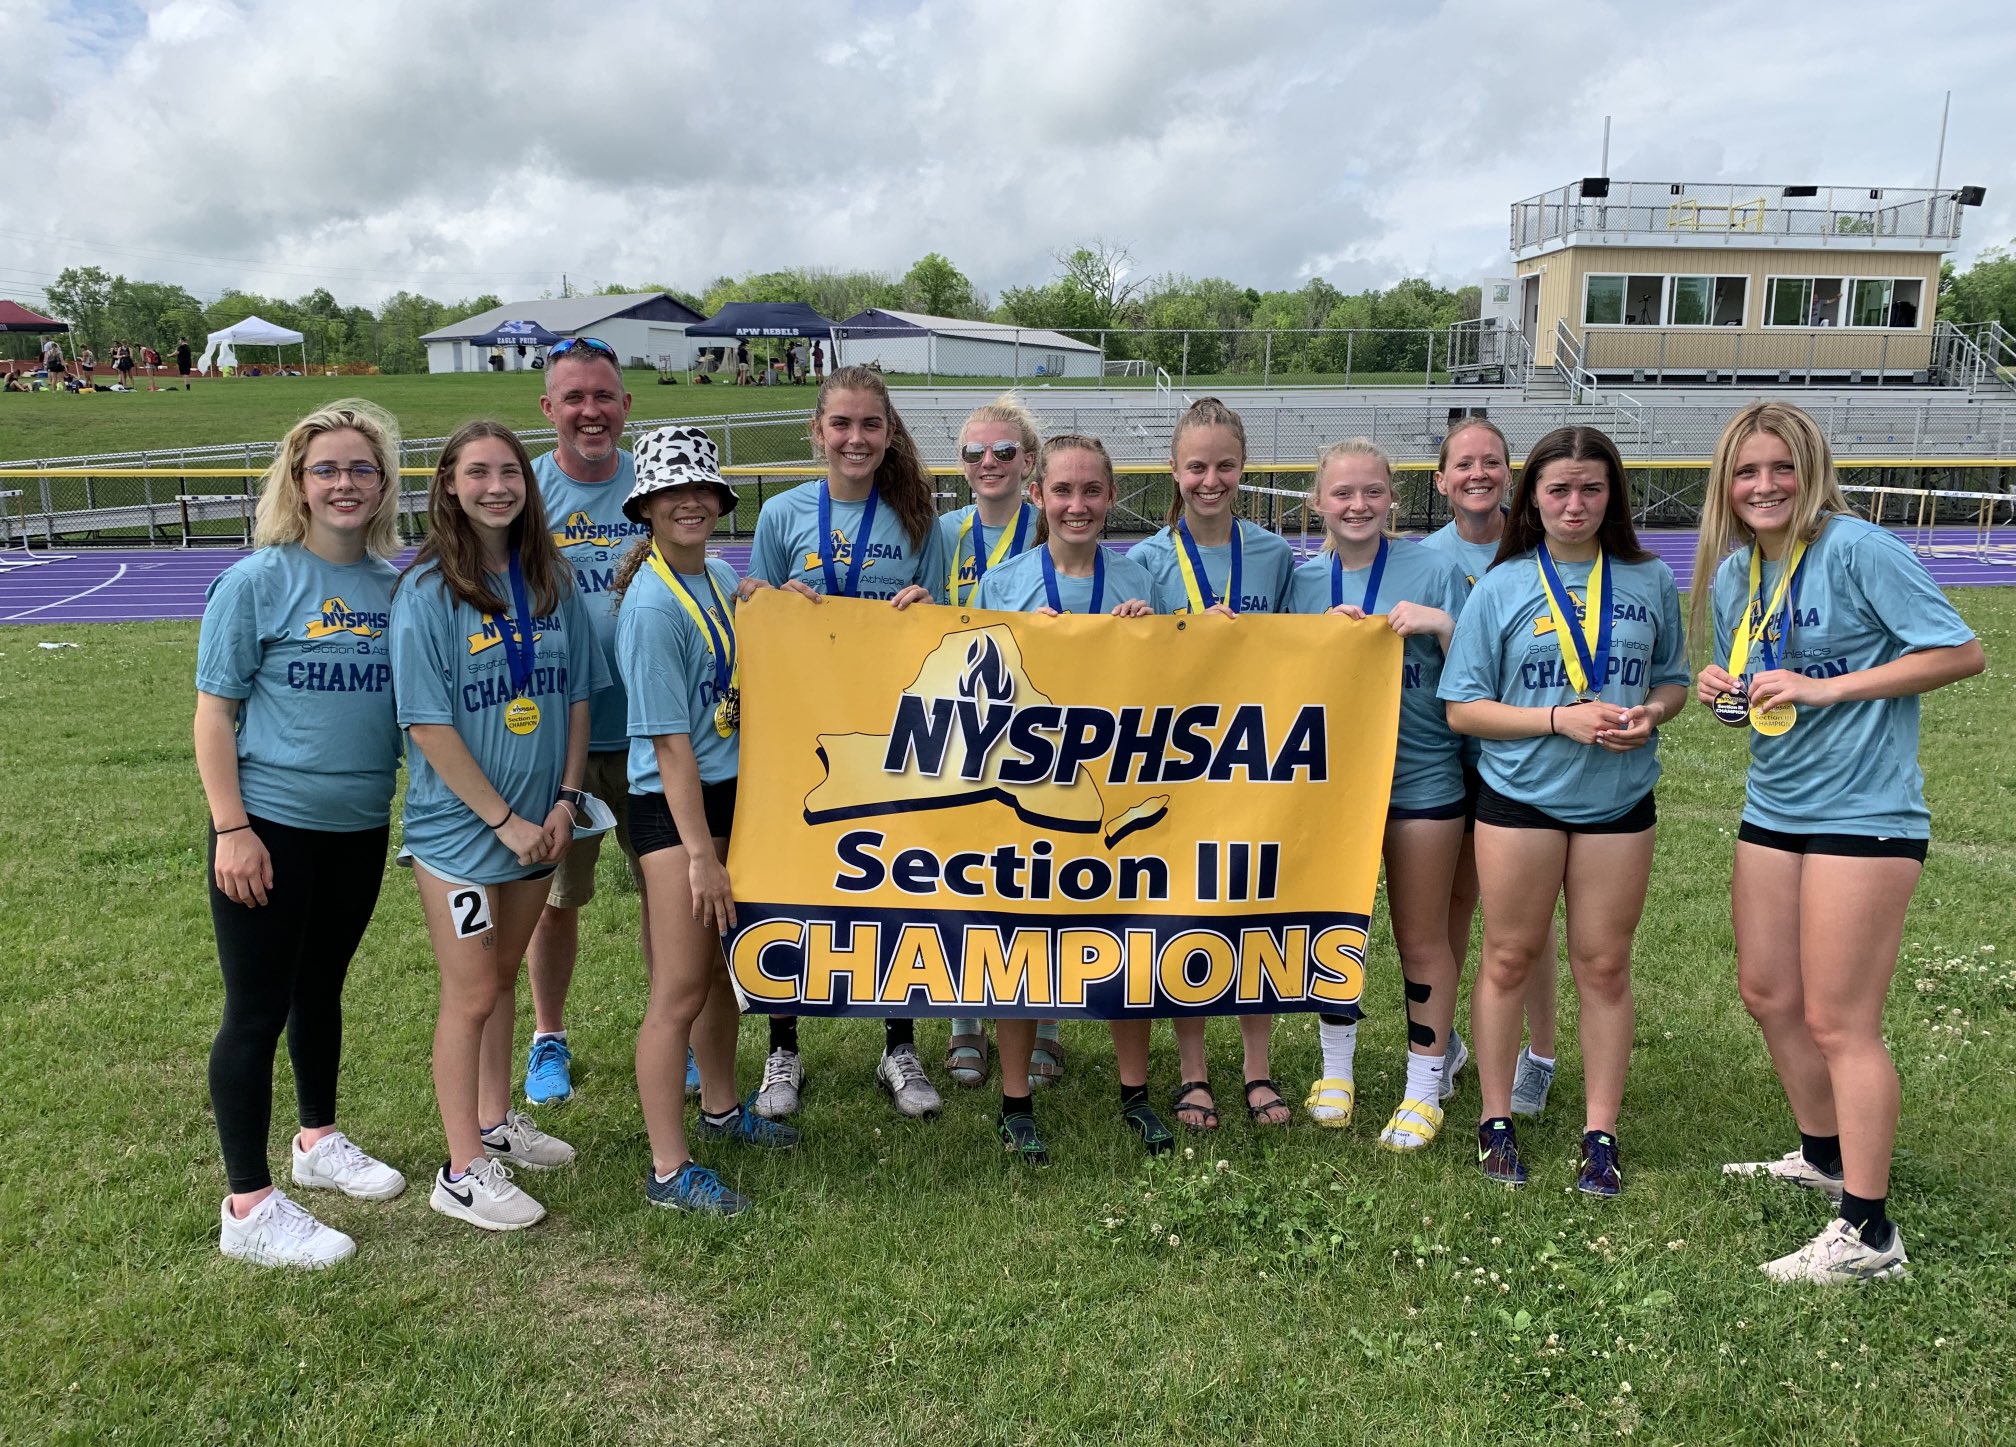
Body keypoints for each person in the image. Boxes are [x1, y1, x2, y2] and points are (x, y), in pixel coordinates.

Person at [1693, 401, 1983, 1283]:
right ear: (1726, 484)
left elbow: (1960, 652)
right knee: (1768, 991)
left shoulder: (1858, 548)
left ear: (1810, 470)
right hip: (1774, 806)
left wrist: (1830, 690)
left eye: (1781, 467)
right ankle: (1822, 1157)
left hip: (1865, 815)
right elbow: (1762, 685)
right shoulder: (1736, 574)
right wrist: (1725, 690)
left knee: (1840, 1019)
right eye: (1747, 472)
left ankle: (1870, 1233)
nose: (1765, 485)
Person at [1440, 425, 1689, 1195]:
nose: (1574, 503)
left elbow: (1674, 678)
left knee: (1604, 965)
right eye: (1558, 489)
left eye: (1590, 488)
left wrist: (1652, 711)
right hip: (1520, 800)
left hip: (1618, 803)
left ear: (1612, 494)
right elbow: (1464, 709)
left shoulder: (1648, 579)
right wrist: (1558, 719)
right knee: (1509, 957)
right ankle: (1495, 1121)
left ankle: (1600, 1132)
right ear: (1532, 498)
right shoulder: (1503, 584)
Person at [194, 400, 406, 1268]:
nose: (345, 483)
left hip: (359, 825)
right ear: (297, 482)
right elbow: (215, 715)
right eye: (327, 469)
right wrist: (232, 828)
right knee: (255, 1011)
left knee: (321, 988)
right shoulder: (257, 580)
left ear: (384, 484)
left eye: (362, 467)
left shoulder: (399, 588)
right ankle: (247, 1206)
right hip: (270, 825)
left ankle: (317, 1140)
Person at [390, 420, 602, 1232]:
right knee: (472, 990)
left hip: (541, 824)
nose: (496, 487)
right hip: (462, 835)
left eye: (509, 471)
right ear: (448, 483)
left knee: (504, 981)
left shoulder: (551, 578)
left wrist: (564, 801)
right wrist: (507, 819)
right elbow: (427, 722)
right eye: (476, 473)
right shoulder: (428, 590)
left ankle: (493, 1120)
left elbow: (578, 696)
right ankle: (460, 1169)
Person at [745, 363, 951, 1121]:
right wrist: (773, 601)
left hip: (891, 732)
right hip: (801, 728)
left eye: (871, 424)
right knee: (794, 879)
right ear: (817, 430)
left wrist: (927, 607)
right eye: (842, 423)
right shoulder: (784, 515)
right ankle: (783, 1044)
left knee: (893, 879)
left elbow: (947, 624)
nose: (856, 437)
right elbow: (753, 617)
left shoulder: (916, 516)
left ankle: (899, 1041)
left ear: (888, 431)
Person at [968, 433, 1177, 1162]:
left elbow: (1186, 681)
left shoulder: (1141, 582)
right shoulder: (1004, 585)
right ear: (1037, 496)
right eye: (1063, 491)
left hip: (1120, 788)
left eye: (1092, 490)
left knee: (1129, 934)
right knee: (1025, 941)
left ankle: (1135, 1091)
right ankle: (1015, 1099)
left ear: (1112, 496)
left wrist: (1149, 639)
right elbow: (979, 687)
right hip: (1029, 794)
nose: (1078, 504)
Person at [612, 425, 800, 1214]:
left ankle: (721, 1109)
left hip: (732, 800)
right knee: (680, 986)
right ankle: (667, 1168)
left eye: (703, 491)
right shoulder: (653, 604)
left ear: (720, 502)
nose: (690, 502)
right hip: (676, 810)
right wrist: (700, 854)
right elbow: (670, 744)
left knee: (725, 972)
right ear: (648, 506)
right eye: (671, 492)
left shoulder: (719, 577)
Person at [1288, 439, 1472, 1150]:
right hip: (1332, 787)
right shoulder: (1305, 583)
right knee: (1338, 930)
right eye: (1342, 494)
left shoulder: (1436, 567)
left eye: (1371, 491)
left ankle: (1425, 1083)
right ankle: (1337, 1071)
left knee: (1423, 935)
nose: (1358, 504)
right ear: (1318, 503)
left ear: (1393, 496)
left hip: (1422, 776)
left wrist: (1442, 625)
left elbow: (1478, 673)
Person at [1129, 397, 1296, 1131]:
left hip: (1258, 760)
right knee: (1190, 913)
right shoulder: (1143, 561)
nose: (1210, 479)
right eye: (1196, 465)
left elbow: (1300, 656)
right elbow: (1135, 668)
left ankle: (1258, 1068)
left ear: (1243, 467)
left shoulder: (1274, 554)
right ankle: (1193, 1071)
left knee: (1257, 910)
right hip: (1180, 763)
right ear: (1173, 469)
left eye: (1225, 465)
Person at [521, 335, 652, 1107]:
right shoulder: (526, 491)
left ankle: (684, 1032)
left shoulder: (655, 483)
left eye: (603, 395)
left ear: (626, 404)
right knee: (554, 900)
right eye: (574, 397)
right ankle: (548, 1037)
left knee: (664, 899)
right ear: (549, 409)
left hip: (650, 734)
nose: (590, 411)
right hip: (555, 741)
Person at [1421, 418, 1560, 1115]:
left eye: (1492, 462)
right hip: (1452, 758)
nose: (1478, 473)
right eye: (1463, 463)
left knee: (1523, 920)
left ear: (1511, 473)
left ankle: (1540, 1052)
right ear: (1440, 479)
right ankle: (1440, 1041)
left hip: (1528, 758)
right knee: (1449, 902)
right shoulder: (1423, 558)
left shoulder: (1546, 550)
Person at [936, 396, 1054, 1091]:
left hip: (1039, 730)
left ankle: (1046, 1021)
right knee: (964, 876)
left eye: (1005, 451)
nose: (990, 462)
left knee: (1042, 874)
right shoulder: (942, 530)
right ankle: (964, 1022)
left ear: (1028, 460)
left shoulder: (1056, 520)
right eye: (976, 452)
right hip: (960, 728)